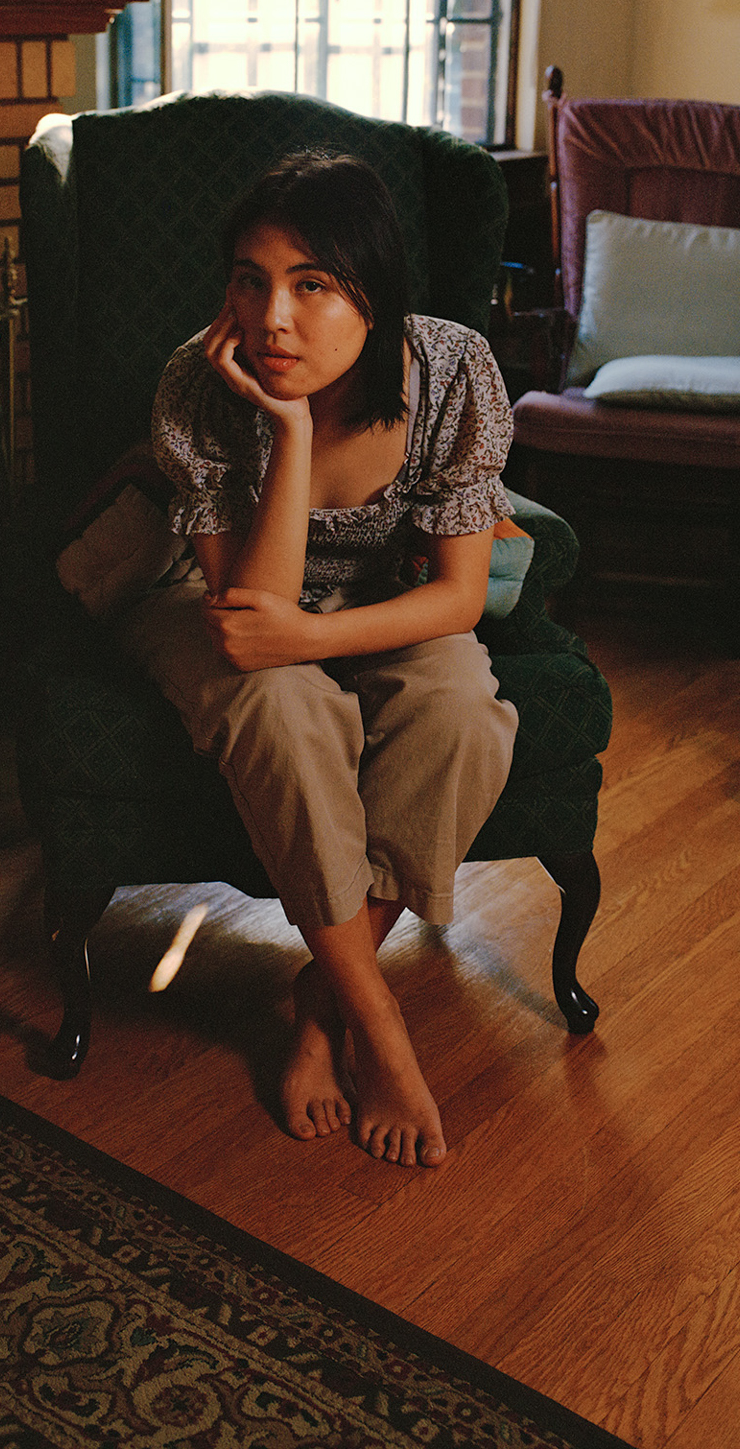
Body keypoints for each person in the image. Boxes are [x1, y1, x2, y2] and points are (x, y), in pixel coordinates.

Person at [117, 152, 519, 1168]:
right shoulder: (198, 385)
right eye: (250, 279)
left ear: (371, 298)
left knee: (464, 707)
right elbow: (249, 615)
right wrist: (287, 431)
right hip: (215, 605)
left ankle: (317, 1002)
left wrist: (316, 636)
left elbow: (458, 595)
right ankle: (379, 1024)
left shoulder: (450, 371)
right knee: (275, 705)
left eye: (311, 284)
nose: (271, 317)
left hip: (379, 601)